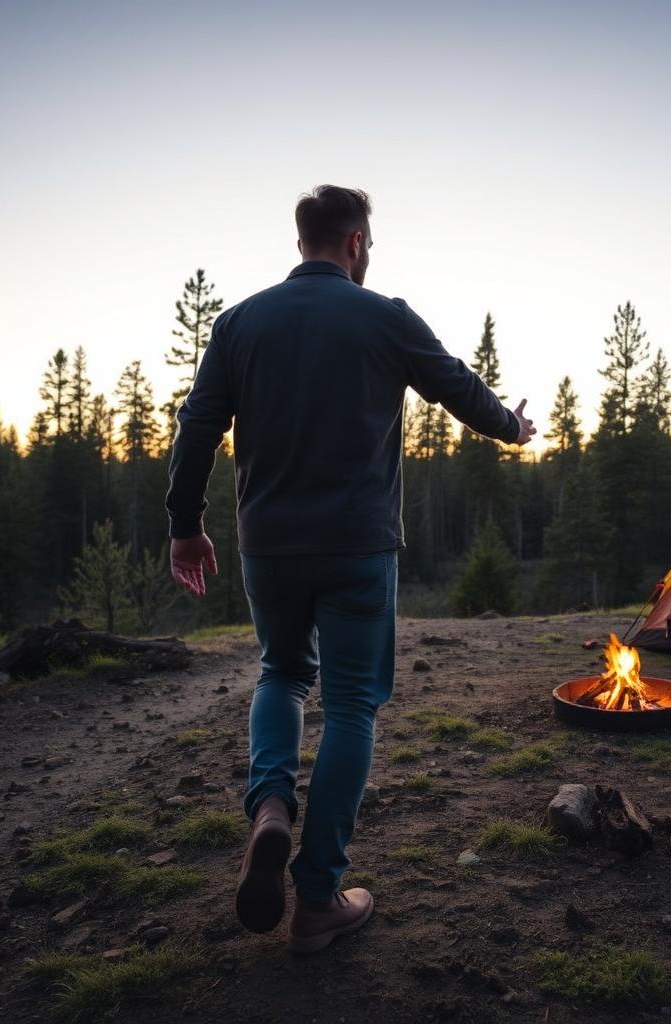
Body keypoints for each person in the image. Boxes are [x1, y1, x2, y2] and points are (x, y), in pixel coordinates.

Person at [165, 184, 536, 954]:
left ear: (303, 241)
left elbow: (197, 424)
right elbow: (460, 388)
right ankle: (319, 897)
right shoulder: (384, 317)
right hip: (358, 547)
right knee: (353, 705)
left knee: (280, 674)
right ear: (356, 243)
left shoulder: (239, 323)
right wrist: (514, 429)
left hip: (267, 545)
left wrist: (184, 526)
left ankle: (270, 806)